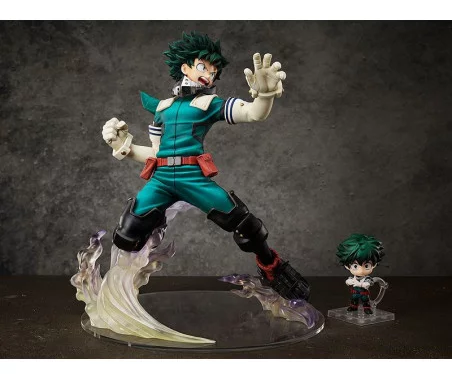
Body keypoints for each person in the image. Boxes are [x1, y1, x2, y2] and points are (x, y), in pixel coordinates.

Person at [102, 31, 310, 301]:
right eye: (203, 67)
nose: (208, 76)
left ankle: (271, 267)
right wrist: (123, 146)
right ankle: (120, 290)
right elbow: (155, 153)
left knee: (244, 223)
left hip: (192, 177)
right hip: (161, 179)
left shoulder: (209, 104)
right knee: (127, 232)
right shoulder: (162, 108)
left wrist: (265, 94)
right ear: (185, 67)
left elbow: (253, 113)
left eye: (213, 73)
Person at [336, 233, 385, 314]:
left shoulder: (367, 278)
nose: (361, 270)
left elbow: (370, 281)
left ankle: (367, 309)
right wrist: (349, 281)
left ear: (374, 265)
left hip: (363, 292)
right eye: (355, 266)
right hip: (355, 291)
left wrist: (366, 283)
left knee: (365, 300)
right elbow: (349, 281)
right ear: (347, 266)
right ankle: (353, 307)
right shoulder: (353, 278)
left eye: (366, 266)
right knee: (354, 298)